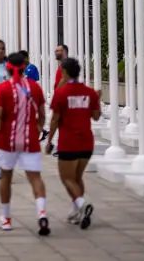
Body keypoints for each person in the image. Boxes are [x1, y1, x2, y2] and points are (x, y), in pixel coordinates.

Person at [0, 52, 49, 236]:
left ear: (7, 68)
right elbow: (42, 114)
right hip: (30, 139)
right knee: (35, 178)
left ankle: (6, 219)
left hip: (7, 140)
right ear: (24, 68)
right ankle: (41, 214)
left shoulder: (2, 89)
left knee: (6, 177)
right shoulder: (35, 88)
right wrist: (38, 128)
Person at [46, 57, 100, 229]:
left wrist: (49, 141)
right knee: (76, 178)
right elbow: (96, 116)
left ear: (65, 72)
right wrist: (97, 99)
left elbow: (55, 119)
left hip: (69, 142)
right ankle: (76, 210)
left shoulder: (61, 93)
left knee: (66, 177)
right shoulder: (89, 92)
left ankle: (82, 205)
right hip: (86, 143)